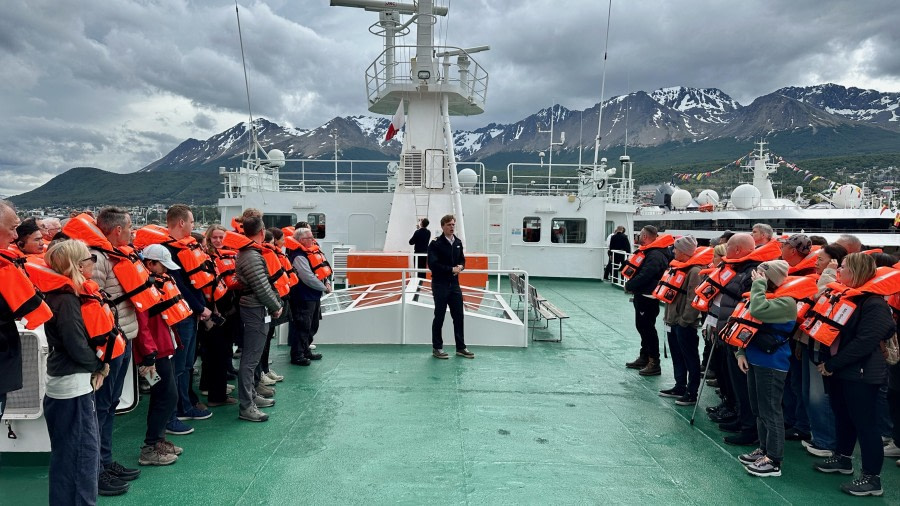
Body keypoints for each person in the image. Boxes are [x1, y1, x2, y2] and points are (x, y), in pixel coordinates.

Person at [813, 253, 895, 497]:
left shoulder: (874, 304)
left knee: (865, 424)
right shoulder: (847, 297)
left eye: (844, 267)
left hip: (861, 373)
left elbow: (865, 341)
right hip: (842, 370)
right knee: (843, 416)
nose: (839, 272)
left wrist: (834, 364)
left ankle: (872, 478)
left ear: (857, 271)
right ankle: (843, 458)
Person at [41, 240, 113, 501]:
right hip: (73, 387)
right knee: (82, 455)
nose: (92, 264)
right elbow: (75, 344)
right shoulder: (67, 299)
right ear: (78, 265)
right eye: (89, 259)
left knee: (66, 455)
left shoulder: (58, 296)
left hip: (65, 383)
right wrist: (100, 366)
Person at [89, 208, 143, 488]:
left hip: (123, 339)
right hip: (111, 343)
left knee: (109, 405)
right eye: (130, 227)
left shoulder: (114, 255)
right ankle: (96, 470)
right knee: (100, 408)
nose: (133, 232)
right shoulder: (98, 258)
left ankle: (107, 461)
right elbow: (92, 303)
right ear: (117, 230)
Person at [732, 260, 797, 478]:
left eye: (761, 275)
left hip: (772, 363)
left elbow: (758, 310)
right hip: (754, 359)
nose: (755, 277)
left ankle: (774, 459)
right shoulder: (761, 295)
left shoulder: (787, 302)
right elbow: (745, 323)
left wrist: (758, 286)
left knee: (771, 411)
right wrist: (740, 352)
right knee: (758, 409)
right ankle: (763, 448)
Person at [159, 205, 213, 433]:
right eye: (191, 221)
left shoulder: (184, 248)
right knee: (178, 366)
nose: (193, 226)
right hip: (180, 316)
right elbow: (179, 285)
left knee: (187, 364)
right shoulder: (166, 251)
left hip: (190, 314)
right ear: (181, 223)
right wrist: (201, 307)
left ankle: (185, 405)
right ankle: (177, 411)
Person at [133, 244, 182, 466]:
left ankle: (158, 441)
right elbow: (142, 325)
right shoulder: (142, 287)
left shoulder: (151, 283)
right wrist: (148, 355)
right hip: (153, 355)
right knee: (166, 395)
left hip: (163, 349)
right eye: (162, 266)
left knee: (162, 395)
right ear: (150, 264)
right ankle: (150, 447)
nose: (165, 272)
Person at [235, 215, 283, 422]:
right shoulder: (251, 256)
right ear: (262, 231)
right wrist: (276, 306)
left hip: (256, 308)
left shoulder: (249, 253)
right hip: (254, 309)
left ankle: (252, 396)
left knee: (252, 358)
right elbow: (262, 286)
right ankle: (247, 406)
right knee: (250, 359)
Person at [656, 236, 706, 405]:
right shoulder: (677, 268)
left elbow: (693, 299)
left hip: (684, 323)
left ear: (684, 251)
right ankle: (680, 386)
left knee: (690, 357)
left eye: (676, 249)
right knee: (677, 355)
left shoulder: (694, 271)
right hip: (672, 320)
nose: (674, 251)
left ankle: (691, 392)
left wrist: (685, 320)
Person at [623, 225, 673, 376]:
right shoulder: (653, 252)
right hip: (644, 294)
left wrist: (630, 285)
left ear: (644, 237)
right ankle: (644, 356)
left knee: (647, 328)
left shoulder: (655, 254)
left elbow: (646, 274)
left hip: (648, 296)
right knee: (642, 326)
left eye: (640, 236)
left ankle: (654, 362)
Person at [428, 214, 475, 359]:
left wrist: (461, 266)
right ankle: (437, 348)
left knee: (459, 316)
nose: (452, 227)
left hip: (454, 285)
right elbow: (433, 264)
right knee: (439, 316)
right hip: (440, 284)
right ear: (442, 226)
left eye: (453, 224)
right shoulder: (435, 244)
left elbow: (462, 259)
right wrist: (450, 269)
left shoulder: (458, 242)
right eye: (449, 224)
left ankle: (460, 347)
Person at [289, 227, 332, 365]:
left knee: (312, 325)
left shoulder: (310, 252)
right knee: (302, 325)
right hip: (303, 296)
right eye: (310, 238)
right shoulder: (299, 256)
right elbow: (307, 277)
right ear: (301, 240)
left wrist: (327, 282)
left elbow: (320, 270)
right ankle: (297, 355)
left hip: (313, 296)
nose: (313, 240)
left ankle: (305, 350)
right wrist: (323, 288)